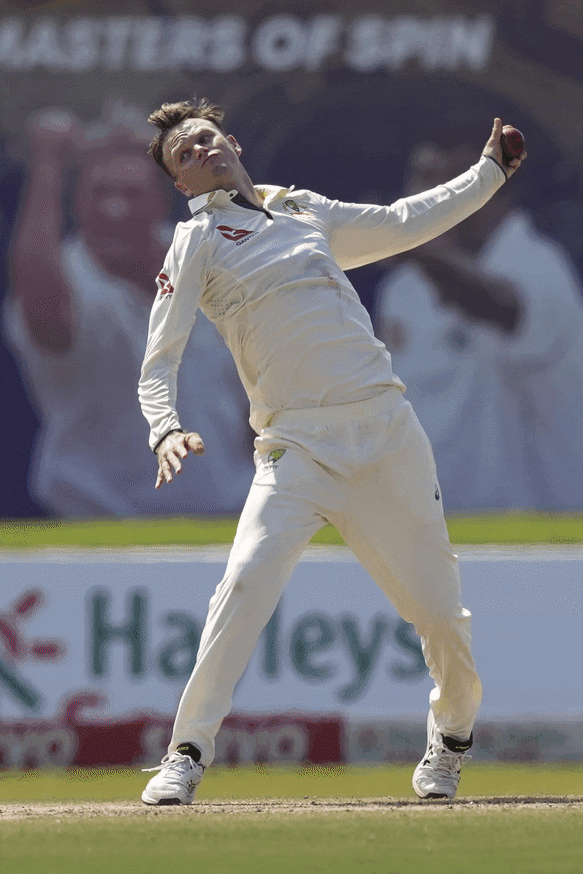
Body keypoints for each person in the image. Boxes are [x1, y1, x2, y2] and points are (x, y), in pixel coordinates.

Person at [138, 97, 526, 804]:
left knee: (438, 615)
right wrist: (165, 426)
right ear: (180, 184)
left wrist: (488, 173)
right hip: (295, 448)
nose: (198, 153)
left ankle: (449, 737)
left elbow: (404, 221)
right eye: (182, 157)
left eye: (203, 139)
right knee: (245, 585)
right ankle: (186, 753)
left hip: (385, 434)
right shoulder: (194, 241)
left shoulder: (303, 210)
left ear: (231, 139)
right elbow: (158, 359)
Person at [5, 104, 252, 517]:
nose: (113, 208)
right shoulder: (65, 279)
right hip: (100, 528)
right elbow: (46, 319)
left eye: (131, 193)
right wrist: (46, 167)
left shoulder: (210, 259)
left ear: (164, 199)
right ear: (77, 202)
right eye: (99, 193)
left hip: (227, 519)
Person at [374, 142, 583, 511]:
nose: (427, 196)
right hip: (434, 519)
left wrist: (414, 245)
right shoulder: (402, 287)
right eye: (421, 178)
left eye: (446, 180)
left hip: (538, 531)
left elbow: (502, 306)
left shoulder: (539, 264)